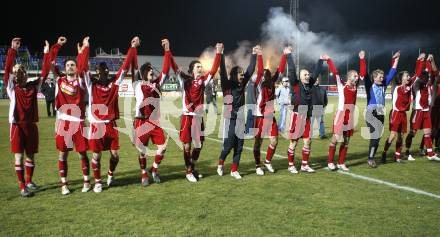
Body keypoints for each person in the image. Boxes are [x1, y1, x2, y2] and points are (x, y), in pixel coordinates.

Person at [84, 37, 139, 192]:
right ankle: (97, 182)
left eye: (106, 69)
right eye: (102, 69)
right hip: (96, 125)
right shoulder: (91, 84)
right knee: (97, 156)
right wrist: (85, 49)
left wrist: (132, 47)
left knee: (115, 155)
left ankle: (110, 174)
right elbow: (82, 69)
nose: (105, 71)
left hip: (110, 124)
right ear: (97, 72)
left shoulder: (113, 83)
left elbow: (125, 67)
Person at [170, 43, 223, 182]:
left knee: (199, 145)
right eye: (198, 66)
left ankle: (192, 167)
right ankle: (188, 172)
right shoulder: (185, 80)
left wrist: (218, 52)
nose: (201, 68)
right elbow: (173, 66)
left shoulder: (204, 81)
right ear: (192, 69)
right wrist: (168, 50)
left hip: (198, 117)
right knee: (187, 145)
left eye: (201, 66)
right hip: (187, 116)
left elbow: (214, 69)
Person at [4, 38, 50, 197]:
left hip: (31, 125)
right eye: (16, 72)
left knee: (30, 154)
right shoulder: (12, 88)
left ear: (26, 73)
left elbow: (44, 73)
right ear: (13, 76)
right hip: (17, 125)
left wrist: (46, 54)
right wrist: (13, 50)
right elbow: (8, 67)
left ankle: (29, 181)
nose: (19, 73)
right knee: (19, 156)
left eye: (21, 71)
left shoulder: (32, 86)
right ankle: (22, 186)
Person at [50, 36, 91, 195]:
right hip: (64, 122)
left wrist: (84, 50)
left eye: (73, 65)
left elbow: (83, 67)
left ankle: (86, 181)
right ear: (64, 68)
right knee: (63, 154)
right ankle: (64, 184)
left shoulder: (81, 81)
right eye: (67, 65)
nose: (70, 67)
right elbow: (50, 63)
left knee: (82, 153)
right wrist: (57, 46)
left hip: (79, 122)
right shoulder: (59, 80)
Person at [131, 38, 172, 186]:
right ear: (143, 73)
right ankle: (144, 174)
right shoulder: (137, 84)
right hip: (141, 120)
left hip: (154, 121)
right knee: (142, 150)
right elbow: (132, 66)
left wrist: (167, 50)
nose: (151, 72)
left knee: (162, 148)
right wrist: (133, 48)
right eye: (148, 70)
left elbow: (166, 69)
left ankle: (154, 170)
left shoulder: (157, 84)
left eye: (151, 70)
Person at [217, 45, 258, 179]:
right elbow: (222, 70)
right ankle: (221, 163)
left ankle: (234, 170)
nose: (243, 75)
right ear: (234, 75)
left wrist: (254, 54)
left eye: (242, 73)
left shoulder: (242, 84)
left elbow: (251, 70)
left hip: (240, 119)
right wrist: (220, 53)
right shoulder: (226, 84)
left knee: (239, 146)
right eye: (240, 73)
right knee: (228, 146)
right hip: (230, 119)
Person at [286, 48, 324, 174]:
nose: (308, 76)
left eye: (308, 75)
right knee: (294, 142)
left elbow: (316, 72)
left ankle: (304, 165)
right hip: (297, 116)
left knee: (308, 141)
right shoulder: (296, 84)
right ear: (300, 77)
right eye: (305, 75)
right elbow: (291, 70)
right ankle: (291, 165)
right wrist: (289, 55)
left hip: (306, 116)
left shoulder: (310, 84)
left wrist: (320, 60)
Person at [360, 50, 400, 167]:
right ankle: (370, 158)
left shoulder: (383, 85)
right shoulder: (369, 85)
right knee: (375, 137)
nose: (382, 78)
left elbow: (392, 72)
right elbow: (364, 73)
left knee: (377, 138)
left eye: (383, 77)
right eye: (380, 77)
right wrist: (362, 59)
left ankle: (371, 157)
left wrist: (396, 60)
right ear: (374, 77)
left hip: (381, 112)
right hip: (371, 112)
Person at [253, 46, 288, 175]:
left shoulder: (272, 83)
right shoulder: (258, 84)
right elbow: (261, 68)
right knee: (258, 142)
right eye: (264, 73)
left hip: (270, 116)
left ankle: (267, 161)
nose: (268, 74)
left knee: (274, 140)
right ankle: (257, 165)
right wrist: (260, 55)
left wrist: (284, 55)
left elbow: (280, 70)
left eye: (268, 73)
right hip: (260, 116)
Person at [325, 53, 360, 171]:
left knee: (346, 141)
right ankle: (330, 161)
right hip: (341, 115)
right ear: (349, 77)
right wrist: (329, 60)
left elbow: (363, 73)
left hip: (350, 116)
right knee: (335, 138)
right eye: (354, 76)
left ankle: (341, 162)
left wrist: (362, 59)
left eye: (357, 76)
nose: (357, 77)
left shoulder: (355, 87)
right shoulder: (341, 86)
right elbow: (336, 73)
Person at [404, 54, 440, 161]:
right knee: (413, 133)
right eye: (426, 77)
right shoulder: (416, 84)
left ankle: (430, 154)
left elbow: (435, 73)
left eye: (428, 77)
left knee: (428, 133)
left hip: (426, 111)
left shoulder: (428, 84)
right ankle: (407, 152)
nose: (428, 79)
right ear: (422, 77)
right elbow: (419, 73)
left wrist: (431, 60)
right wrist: (420, 60)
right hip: (417, 111)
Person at [381, 69, 413, 163]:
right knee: (393, 135)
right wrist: (395, 60)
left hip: (403, 114)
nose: (408, 77)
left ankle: (397, 156)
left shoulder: (408, 88)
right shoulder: (396, 87)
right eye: (406, 75)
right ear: (401, 78)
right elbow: (392, 74)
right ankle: (384, 152)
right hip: (395, 113)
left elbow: (415, 77)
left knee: (401, 136)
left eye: (408, 76)